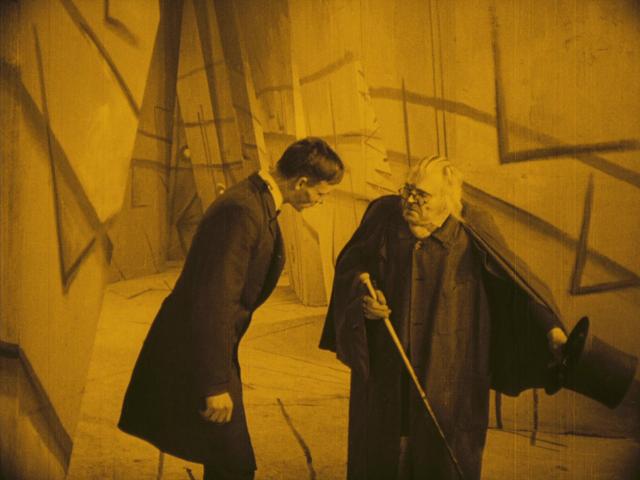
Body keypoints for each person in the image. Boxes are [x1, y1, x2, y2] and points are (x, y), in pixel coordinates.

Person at [319, 156, 568, 479]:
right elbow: (351, 267)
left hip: (450, 368)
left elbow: (514, 284)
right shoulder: (383, 216)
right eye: (407, 189)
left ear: (447, 200)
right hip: (387, 364)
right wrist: (364, 298)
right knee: (382, 451)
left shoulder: (471, 227)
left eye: (422, 195)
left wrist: (551, 329)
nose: (410, 200)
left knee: (442, 455)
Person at [119, 137, 344, 480]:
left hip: (209, 349)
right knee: (233, 465)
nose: (320, 201)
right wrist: (214, 384)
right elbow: (214, 300)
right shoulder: (243, 211)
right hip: (196, 352)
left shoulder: (256, 202)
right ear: (301, 182)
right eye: (321, 193)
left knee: (226, 461)